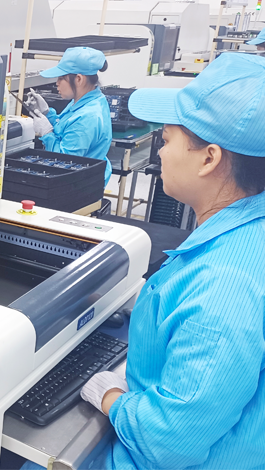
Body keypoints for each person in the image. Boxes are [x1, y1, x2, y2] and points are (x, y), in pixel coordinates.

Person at [19, 53, 265, 470]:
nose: (161, 153)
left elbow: (168, 443)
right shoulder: (244, 235)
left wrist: (110, 395)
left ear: (209, 159)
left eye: (166, 141)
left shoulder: (223, 285)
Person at [26, 47, 112, 186]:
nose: (57, 83)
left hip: (79, 185)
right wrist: (47, 113)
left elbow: (64, 162)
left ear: (78, 79)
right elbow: (66, 128)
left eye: (61, 78)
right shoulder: (86, 100)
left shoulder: (87, 117)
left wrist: (46, 133)